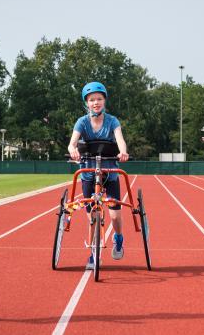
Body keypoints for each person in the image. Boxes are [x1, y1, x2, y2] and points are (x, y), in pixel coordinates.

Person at [67, 81, 129, 269]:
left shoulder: (112, 121)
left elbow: (120, 140)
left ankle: (118, 238)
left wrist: (123, 152)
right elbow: (72, 143)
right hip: (88, 172)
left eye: (99, 99)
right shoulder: (82, 122)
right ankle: (93, 253)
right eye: (92, 100)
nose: (96, 103)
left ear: (104, 101)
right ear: (87, 103)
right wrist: (73, 150)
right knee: (92, 214)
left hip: (109, 171)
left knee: (115, 216)